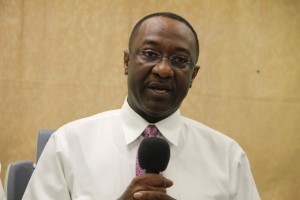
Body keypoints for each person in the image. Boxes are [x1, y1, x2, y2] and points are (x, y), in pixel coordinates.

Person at [22, 12, 260, 199]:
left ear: (193, 76)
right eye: (150, 53)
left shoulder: (228, 158)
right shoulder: (68, 145)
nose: (163, 69)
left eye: (179, 60)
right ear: (127, 62)